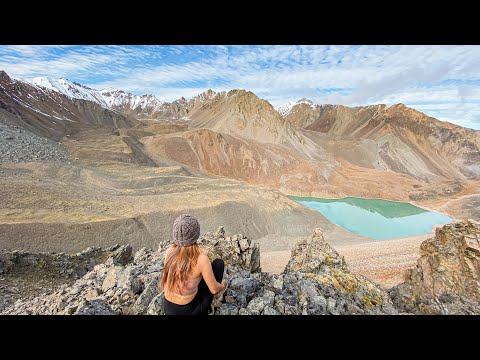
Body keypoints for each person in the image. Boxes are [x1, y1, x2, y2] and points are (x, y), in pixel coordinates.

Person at [160, 214, 227, 315]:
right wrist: (222, 286)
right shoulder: (201, 259)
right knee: (218, 264)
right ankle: (212, 305)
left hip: (168, 308)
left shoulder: (169, 252)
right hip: (190, 311)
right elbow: (213, 289)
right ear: (196, 234)